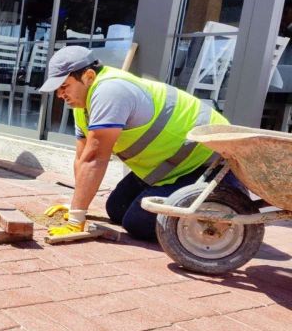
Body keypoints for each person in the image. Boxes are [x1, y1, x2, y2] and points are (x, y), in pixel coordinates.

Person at [38, 46, 241, 241]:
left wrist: (76, 220)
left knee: (137, 223)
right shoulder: (82, 105)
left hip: (208, 166)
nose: (59, 95)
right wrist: (77, 206)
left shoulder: (111, 91)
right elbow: (82, 158)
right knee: (117, 209)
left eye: (64, 86)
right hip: (170, 168)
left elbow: (95, 159)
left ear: (88, 76)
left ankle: (221, 203)